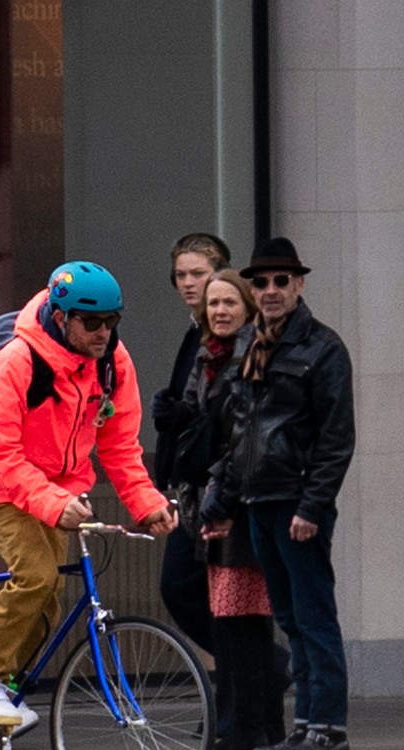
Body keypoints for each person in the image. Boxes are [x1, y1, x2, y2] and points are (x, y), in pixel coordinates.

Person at [0, 261, 177, 750]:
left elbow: (120, 445)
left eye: (113, 321)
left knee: (49, 603)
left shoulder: (113, 364)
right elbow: (2, 453)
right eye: (91, 322)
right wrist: (52, 502)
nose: (103, 333)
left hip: (57, 486)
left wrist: (146, 503)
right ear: (60, 316)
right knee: (36, 576)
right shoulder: (16, 362)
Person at [201, 237, 355, 750]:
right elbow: (238, 432)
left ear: (299, 285)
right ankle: (307, 726)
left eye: (281, 281)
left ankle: (327, 728)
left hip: (295, 502)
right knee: (290, 618)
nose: (270, 290)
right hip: (259, 500)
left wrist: (312, 508)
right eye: (261, 282)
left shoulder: (322, 348)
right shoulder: (252, 345)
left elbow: (336, 439)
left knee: (313, 616)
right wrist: (221, 499)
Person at [191, 269, 286, 750]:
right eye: (213, 304)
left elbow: (241, 437)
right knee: (236, 619)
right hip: (224, 496)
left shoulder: (251, 357)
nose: (220, 311)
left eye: (230, 302)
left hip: (238, 503)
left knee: (242, 620)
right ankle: (260, 725)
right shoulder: (209, 358)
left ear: (248, 308)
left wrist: (220, 501)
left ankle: (249, 726)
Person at [151, 233, 229, 658]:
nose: (187, 282)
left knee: (191, 588)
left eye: (198, 273)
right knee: (196, 591)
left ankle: (264, 673)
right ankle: (252, 682)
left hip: (213, 484)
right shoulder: (194, 334)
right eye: (180, 275)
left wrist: (180, 416)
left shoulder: (223, 335)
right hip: (192, 484)